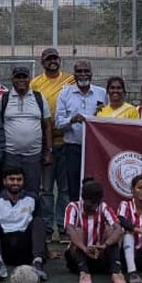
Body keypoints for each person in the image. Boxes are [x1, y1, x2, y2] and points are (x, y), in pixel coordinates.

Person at [31, 47, 74, 234]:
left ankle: (63, 227)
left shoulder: (70, 80)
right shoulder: (35, 83)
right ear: (42, 62)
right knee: (46, 189)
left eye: (55, 58)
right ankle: (48, 228)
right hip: (45, 143)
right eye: (48, 59)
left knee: (64, 189)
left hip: (67, 141)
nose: (52, 61)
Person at [55, 60, 107, 211]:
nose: (83, 74)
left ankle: (96, 219)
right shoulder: (65, 94)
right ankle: (75, 218)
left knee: (95, 186)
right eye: (79, 71)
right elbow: (58, 123)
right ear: (74, 74)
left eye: (86, 71)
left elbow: (109, 116)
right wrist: (72, 119)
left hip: (95, 149)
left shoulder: (102, 93)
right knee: (73, 186)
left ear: (91, 73)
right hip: (73, 148)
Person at [0, 66, 51, 199]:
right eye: (18, 77)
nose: (21, 80)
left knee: (32, 192)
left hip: (33, 155)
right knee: (7, 192)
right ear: (12, 79)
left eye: (24, 77)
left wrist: (48, 151)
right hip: (10, 155)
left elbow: (48, 125)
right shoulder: (3, 99)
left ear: (29, 79)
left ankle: (31, 219)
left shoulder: (39, 98)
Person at [0, 166, 48, 280]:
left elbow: (38, 229)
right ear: (4, 181)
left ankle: (38, 264)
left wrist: (45, 250)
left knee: (39, 221)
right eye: (12, 179)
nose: (15, 183)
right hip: (4, 246)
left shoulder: (33, 198)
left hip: (25, 247)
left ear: (23, 181)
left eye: (19, 180)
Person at [64, 179, 124, 283]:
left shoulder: (104, 207)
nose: (94, 206)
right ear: (83, 199)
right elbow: (69, 230)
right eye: (91, 202)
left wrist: (104, 245)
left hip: (99, 255)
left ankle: (116, 272)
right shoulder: (73, 207)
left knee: (111, 231)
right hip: (77, 256)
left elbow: (118, 229)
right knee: (78, 231)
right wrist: (84, 248)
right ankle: (84, 273)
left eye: (97, 202)